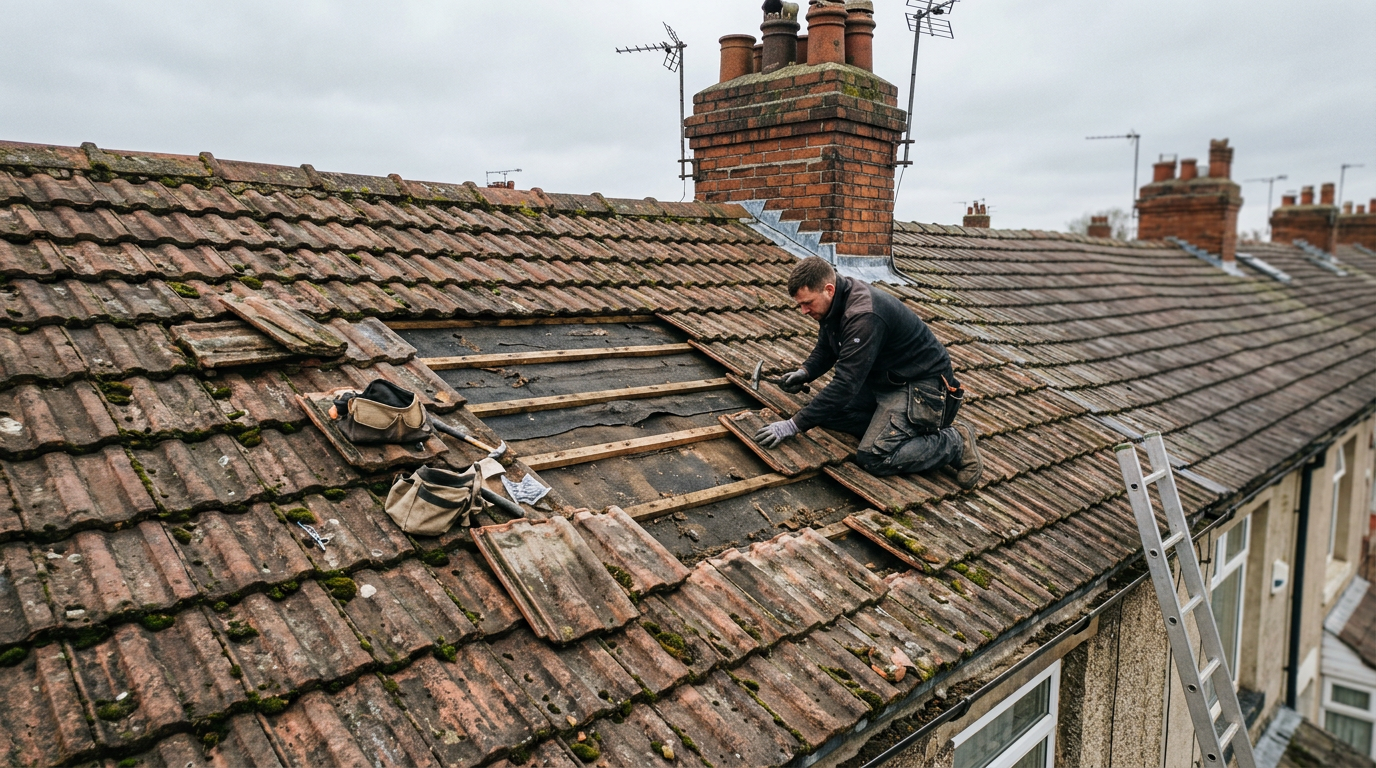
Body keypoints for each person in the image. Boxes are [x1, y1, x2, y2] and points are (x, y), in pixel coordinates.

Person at [753, 256, 983, 488]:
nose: (803, 311)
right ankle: (893, 430)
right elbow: (826, 348)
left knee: (874, 457)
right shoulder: (834, 304)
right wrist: (805, 372)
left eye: (807, 303)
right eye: (800, 304)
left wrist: (791, 426)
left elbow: (845, 385)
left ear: (829, 289)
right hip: (885, 381)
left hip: (920, 387)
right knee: (826, 414)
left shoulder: (863, 315)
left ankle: (955, 442)